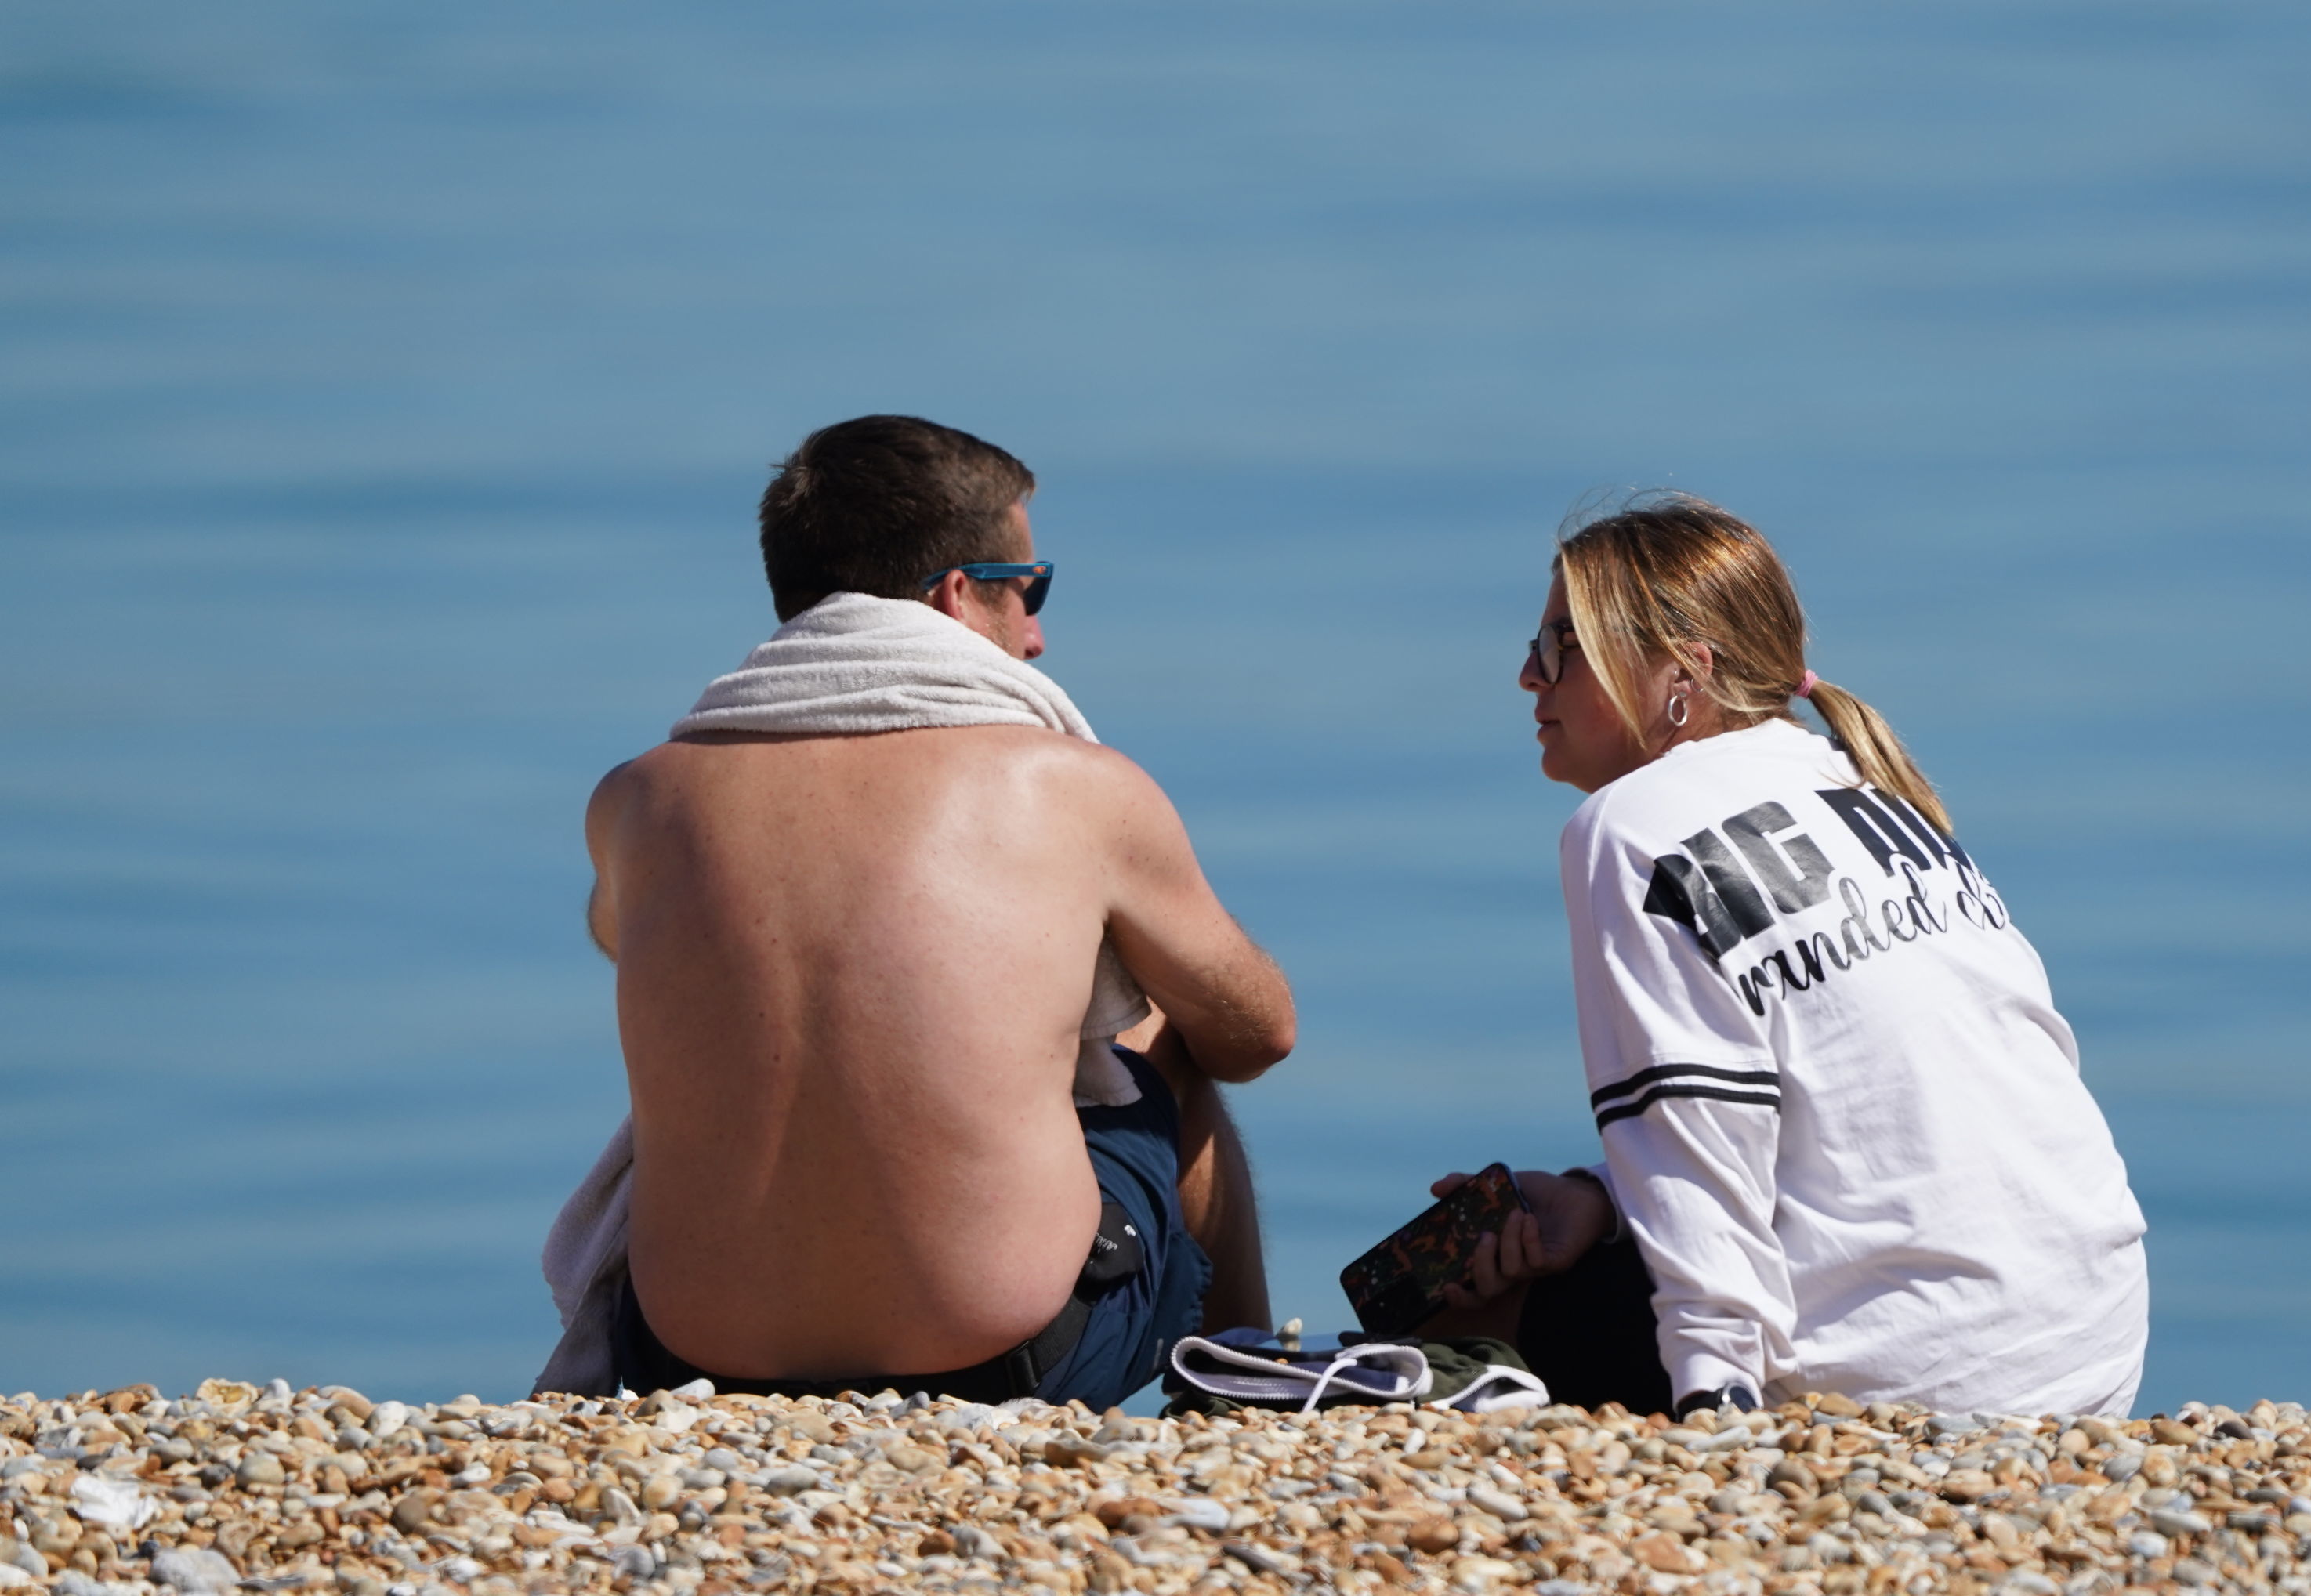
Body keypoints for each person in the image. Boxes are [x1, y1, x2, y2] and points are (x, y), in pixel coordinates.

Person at [573, 414, 1296, 1406]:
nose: (1037, 633)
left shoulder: (638, 801)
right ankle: (1247, 1390)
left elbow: (621, 940)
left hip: (689, 1365)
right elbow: (1259, 1035)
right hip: (1011, 1358)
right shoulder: (1068, 783)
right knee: (1165, 1031)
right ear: (959, 593)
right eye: (1029, 589)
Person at [1429, 496, 2147, 1417]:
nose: (1530, 674)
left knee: (1447, 1316)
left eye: (1563, 643)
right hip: (2088, 1348)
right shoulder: (1870, 791)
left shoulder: (1629, 829)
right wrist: (1602, 1203)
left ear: (1681, 672)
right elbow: (1890, 1109)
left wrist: (1717, 1409)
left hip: (1910, 1375)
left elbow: (1703, 1148)